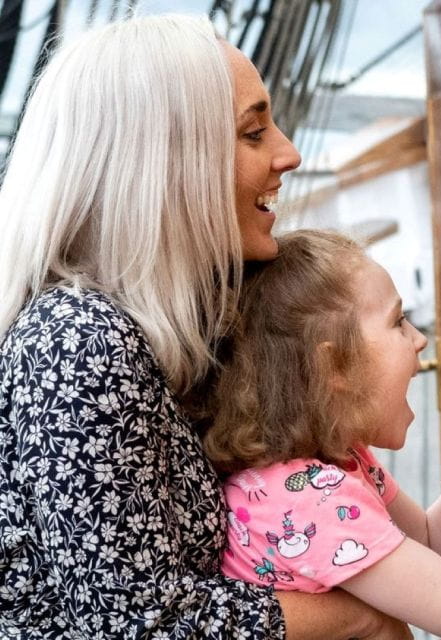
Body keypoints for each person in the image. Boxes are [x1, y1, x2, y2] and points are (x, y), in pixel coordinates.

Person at [0, 14, 411, 639]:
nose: (289, 152)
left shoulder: (180, 331)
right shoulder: (75, 341)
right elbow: (134, 624)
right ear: (163, 165)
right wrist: (360, 617)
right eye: (253, 132)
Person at [202, 230, 441, 640]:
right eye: (398, 321)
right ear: (334, 367)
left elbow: (429, 545)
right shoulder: (303, 499)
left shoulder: (337, 461)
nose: (420, 338)